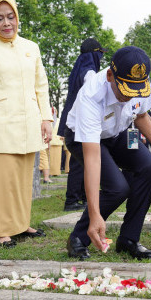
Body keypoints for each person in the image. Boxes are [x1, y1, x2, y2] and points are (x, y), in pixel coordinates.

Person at [64, 46, 151, 260]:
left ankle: (128, 239)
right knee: (117, 188)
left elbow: (141, 115)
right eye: (126, 90)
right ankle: (78, 237)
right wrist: (96, 215)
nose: (131, 95)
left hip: (117, 132)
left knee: (148, 168)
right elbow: (92, 158)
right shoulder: (91, 94)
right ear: (110, 76)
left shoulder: (141, 82)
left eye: (137, 90)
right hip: (84, 138)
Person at [0, 0, 53, 248]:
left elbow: (41, 85)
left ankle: (21, 223)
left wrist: (46, 119)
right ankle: (3, 229)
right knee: (1, 179)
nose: (6, 23)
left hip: (28, 121)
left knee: (22, 177)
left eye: (10, 17)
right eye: (0, 18)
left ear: (17, 18)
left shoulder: (31, 47)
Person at [57, 38, 107, 211]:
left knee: (82, 163)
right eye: (100, 54)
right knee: (80, 163)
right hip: (82, 123)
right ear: (95, 54)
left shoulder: (80, 69)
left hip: (76, 122)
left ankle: (83, 198)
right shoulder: (90, 74)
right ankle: (71, 200)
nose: (101, 58)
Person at [49, 108, 63, 176]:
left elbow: (62, 129)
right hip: (50, 142)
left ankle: (57, 172)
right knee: (50, 159)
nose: (53, 112)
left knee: (57, 159)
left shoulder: (59, 120)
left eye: (54, 111)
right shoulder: (47, 120)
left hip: (58, 142)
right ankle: (50, 172)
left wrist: (63, 136)